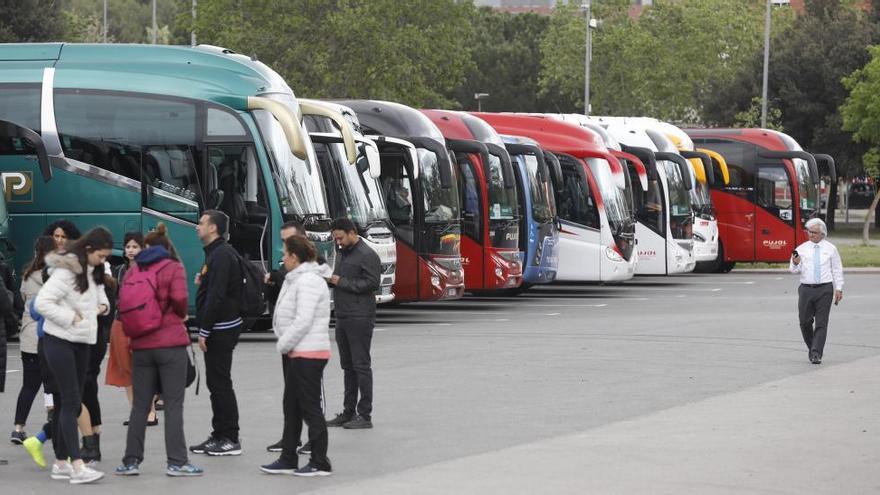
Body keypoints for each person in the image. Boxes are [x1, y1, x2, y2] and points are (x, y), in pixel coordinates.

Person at [116, 223, 203, 477]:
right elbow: (180, 300)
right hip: (169, 344)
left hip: (141, 345)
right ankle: (177, 462)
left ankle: (130, 461)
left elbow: (124, 303)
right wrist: (179, 313)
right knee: (174, 404)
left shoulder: (133, 270)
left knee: (140, 406)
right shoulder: (172, 267)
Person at [34, 227, 113, 484]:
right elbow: (42, 303)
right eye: (101, 256)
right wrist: (70, 317)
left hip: (82, 342)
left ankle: (60, 463)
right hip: (60, 341)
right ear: (89, 250)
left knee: (70, 403)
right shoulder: (67, 271)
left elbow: (101, 295)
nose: (103, 261)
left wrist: (103, 305)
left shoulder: (93, 269)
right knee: (70, 403)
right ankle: (77, 466)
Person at [260, 235, 333, 476]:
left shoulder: (309, 281)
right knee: (291, 405)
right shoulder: (298, 279)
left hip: (309, 352)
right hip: (299, 351)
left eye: (284, 254)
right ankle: (288, 457)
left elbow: (303, 320)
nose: (282, 259)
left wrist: (283, 342)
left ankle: (320, 461)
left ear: (294, 256)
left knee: (309, 406)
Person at [190, 210, 244, 456]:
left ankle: (230, 437)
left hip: (221, 328)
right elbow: (213, 288)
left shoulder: (221, 255)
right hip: (218, 326)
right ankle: (219, 434)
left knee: (221, 382)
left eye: (201, 223)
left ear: (213, 228)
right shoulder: (215, 253)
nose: (197, 227)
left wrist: (204, 329)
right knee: (215, 382)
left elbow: (217, 295)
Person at [325, 218, 380, 429]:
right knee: (347, 367)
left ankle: (364, 415)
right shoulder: (342, 252)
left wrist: (342, 282)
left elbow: (372, 282)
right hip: (342, 315)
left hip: (360, 316)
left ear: (351, 232)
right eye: (335, 239)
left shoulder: (367, 254)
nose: (338, 242)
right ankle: (348, 412)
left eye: (340, 237)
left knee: (361, 366)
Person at [106, 232, 158, 427]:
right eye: (128, 247)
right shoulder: (118, 271)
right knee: (125, 369)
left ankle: (151, 412)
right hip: (120, 323)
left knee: (143, 369)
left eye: (135, 247)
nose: (130, 250)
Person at [11, 236, 55, 446]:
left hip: (27, 336)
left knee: (29, 385)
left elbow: (21, 298)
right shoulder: (53, 276)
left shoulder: (27, 275)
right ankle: (52, 419)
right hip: (46, 335)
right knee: (51, 383)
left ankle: (18, 428)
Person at [790, 217, 844, 364]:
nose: (811, 234)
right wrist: (796, 264)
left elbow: (837, 270)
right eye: (809, 231)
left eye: (814, 232)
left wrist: (838, 288)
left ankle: (816, 353)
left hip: (824, 289)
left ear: (822, 234)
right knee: (804, 322)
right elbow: (793, 270)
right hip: (806, 289)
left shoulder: (831, 249)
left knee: (821, 323)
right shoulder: (800, 249)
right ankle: (813, 347)